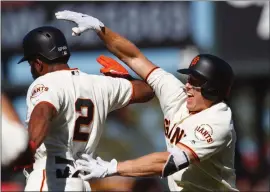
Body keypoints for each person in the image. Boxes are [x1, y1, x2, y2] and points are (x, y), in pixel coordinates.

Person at [55, 10, 239, 191]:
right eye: (188, 79)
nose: (188, 85)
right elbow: (134, 57)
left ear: (213, 89)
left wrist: (112, 168)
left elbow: (169, 162)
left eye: (196, 82)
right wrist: (100, 29)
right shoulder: (177, 94)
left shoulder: (218, 121)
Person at [15, 26, 154, 191]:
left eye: (31, 63)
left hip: (50, 178)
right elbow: (148, 90)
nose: (32, 69)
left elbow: (43, 111)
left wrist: (29, 148)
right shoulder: (99, 84)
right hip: (81, 181)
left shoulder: (45, 82)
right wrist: (126, 79)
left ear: (38, 63)